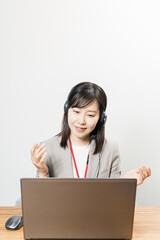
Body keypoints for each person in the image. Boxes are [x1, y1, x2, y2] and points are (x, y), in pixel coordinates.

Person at [31, 82, 151, 185]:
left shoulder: (111, 149)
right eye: (76, 112)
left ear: (101, 118)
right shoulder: (47, 148)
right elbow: (41, 201)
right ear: (67, 111)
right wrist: (42, 172)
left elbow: (112, 198)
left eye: (90, 115)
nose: (81, 121)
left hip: (98, 212)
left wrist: (125, 183)